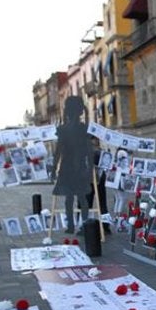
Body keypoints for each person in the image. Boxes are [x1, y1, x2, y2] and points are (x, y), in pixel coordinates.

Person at [53, 97, 93, 233]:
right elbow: (89, 152)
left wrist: (53, 169)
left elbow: (58, 151)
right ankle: (83, 225)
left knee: (71, 199)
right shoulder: (83, 129)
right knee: (81, 198)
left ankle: (71, 226)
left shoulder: (64, 129)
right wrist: (91, 169)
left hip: (69, 167)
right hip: (78, 166)